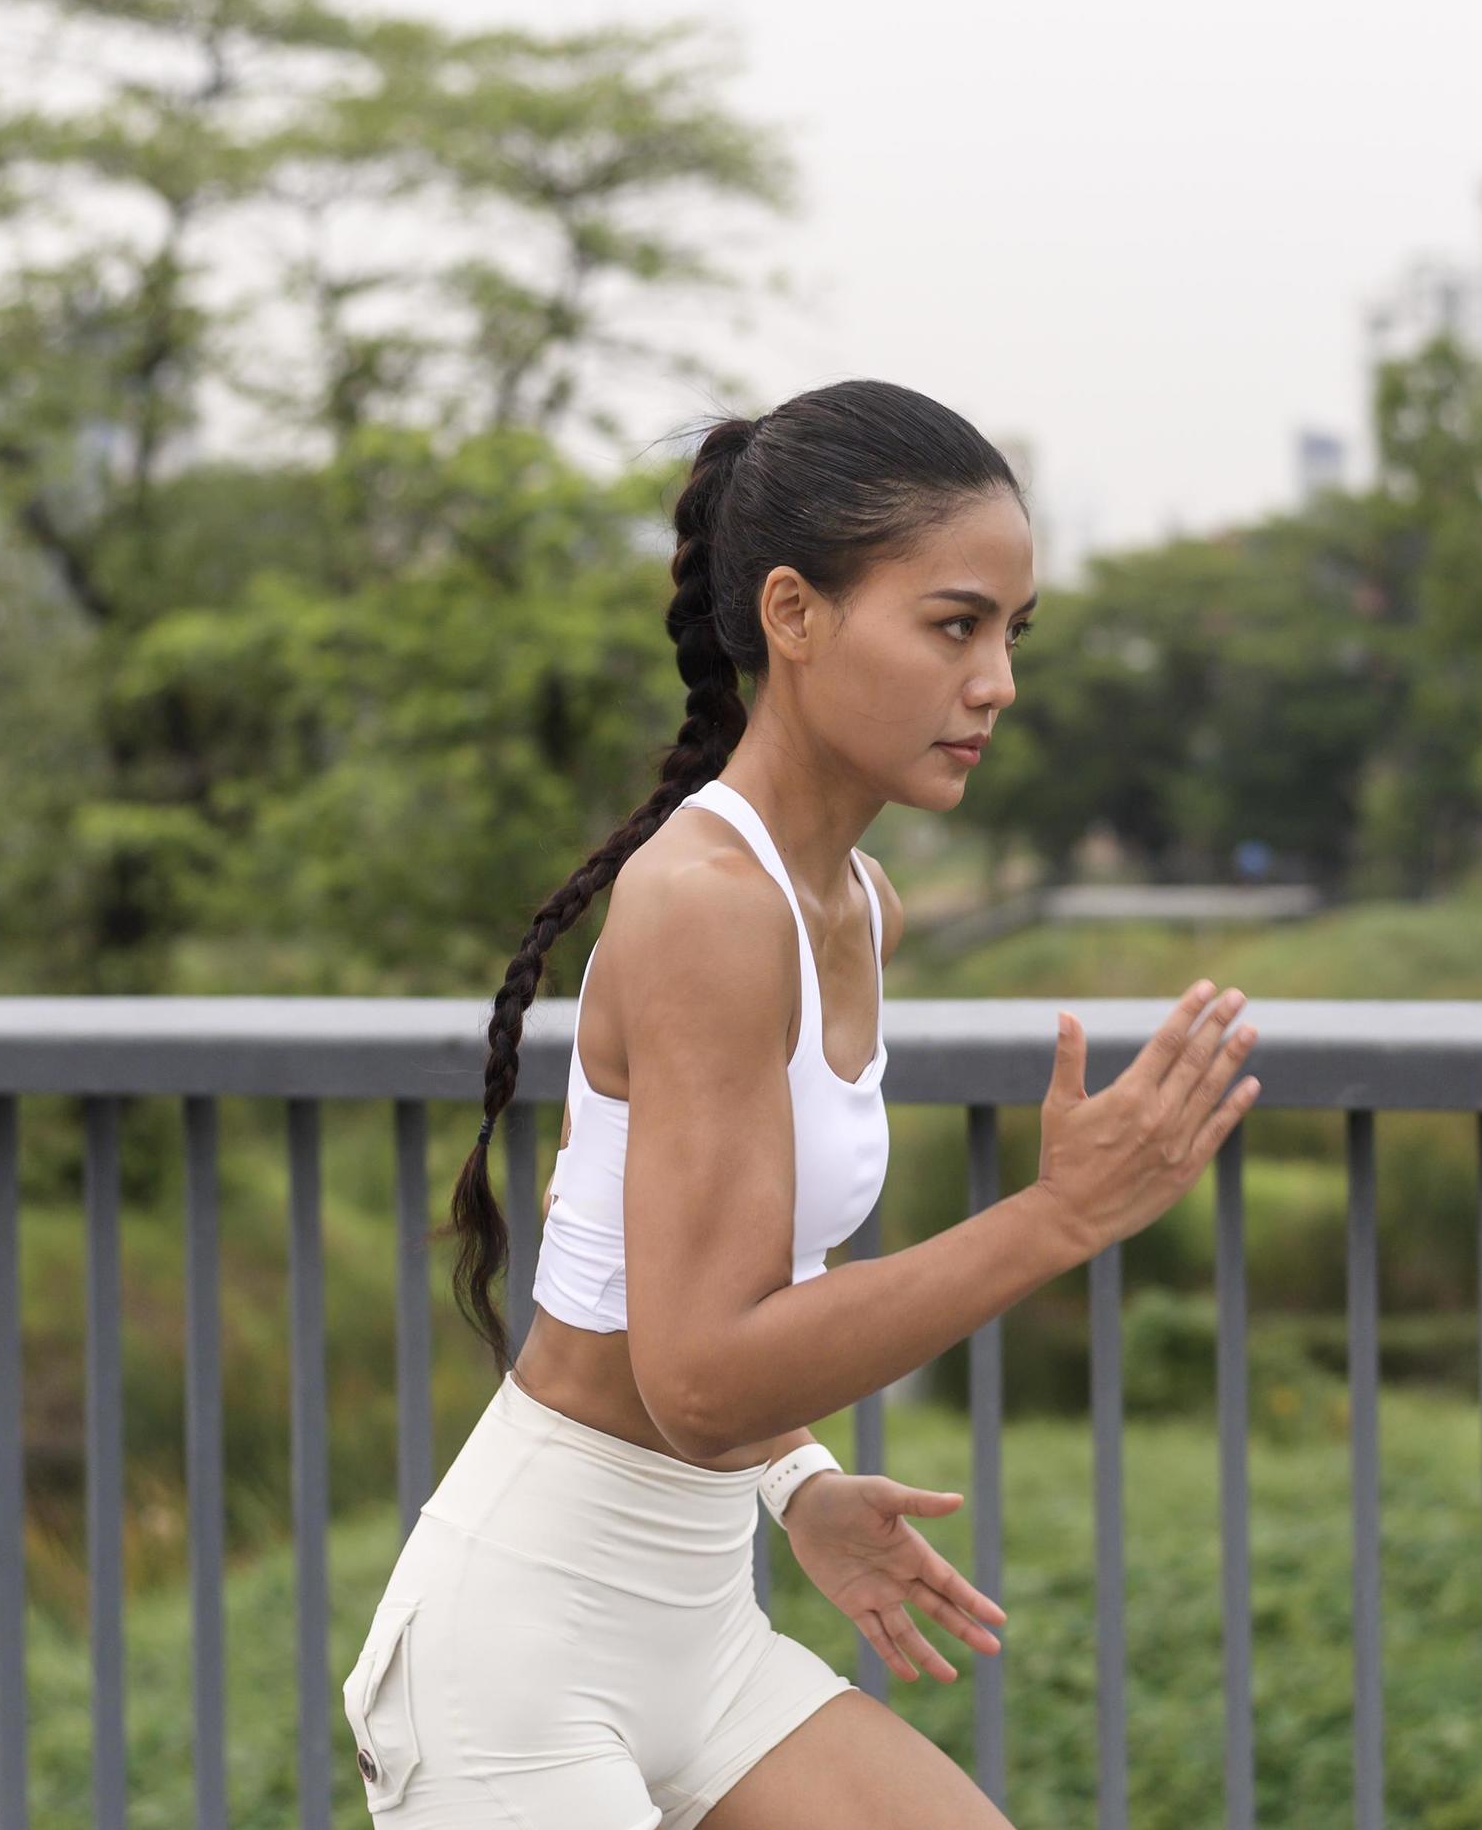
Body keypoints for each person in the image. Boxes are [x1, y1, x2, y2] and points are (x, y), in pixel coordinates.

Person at [342, 378, 1263, 1828]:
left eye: (1010, 636)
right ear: (792, 613)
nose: (997, 684)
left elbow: (705, 1294)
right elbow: (700, 1379)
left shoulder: (852, 903)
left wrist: (801, 1486)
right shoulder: (709, 905)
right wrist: (1057, 1216)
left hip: (698, 1634)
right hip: (518, 1668)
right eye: (952, 625)